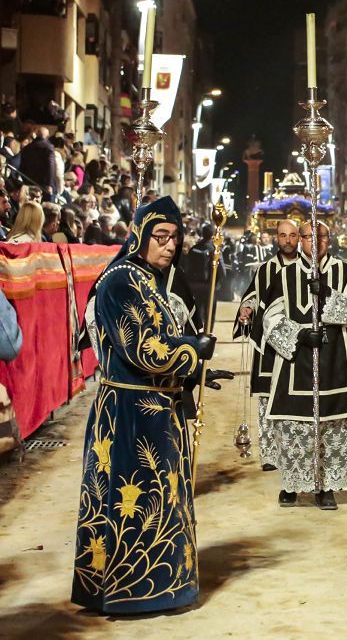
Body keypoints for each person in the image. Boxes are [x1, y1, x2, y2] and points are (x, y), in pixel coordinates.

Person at [72, 196, 217, 613]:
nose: (170, 246)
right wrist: (193, 349)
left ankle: (159, 585)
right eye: (161, 237)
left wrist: (194, 371)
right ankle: (133, 593)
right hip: (130, 417)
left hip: (154, 409)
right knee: (135, 504)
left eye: (175, 238)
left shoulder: (148, 279)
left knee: (159, 501)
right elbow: (143, 350)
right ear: (140, 236)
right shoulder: (120, 281)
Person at [254, 221, 347, 510]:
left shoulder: (345, 273)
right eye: (308, 237)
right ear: (300, 241)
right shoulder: (284, 276)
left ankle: (326, 488)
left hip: (337, 365)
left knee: (333, 428)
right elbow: (270, 319)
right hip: (295, 364)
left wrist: (328, 296)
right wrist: (298, 334)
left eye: (320, 237)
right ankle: (292, 485)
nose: (314, 242)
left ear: (328, 240)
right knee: (295, 428)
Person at [234, 219, 300, 471]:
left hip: (298, 346)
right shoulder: (266, 269)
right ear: (276, 238)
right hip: (268, 346)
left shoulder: (309, 269)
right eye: (282, 235)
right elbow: (253, 294)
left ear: (299, 238)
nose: (287, 240)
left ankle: (294, 451)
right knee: (267, 399)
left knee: (295, 397)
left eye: (292, 235)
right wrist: (247, 308)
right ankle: (270, 454)